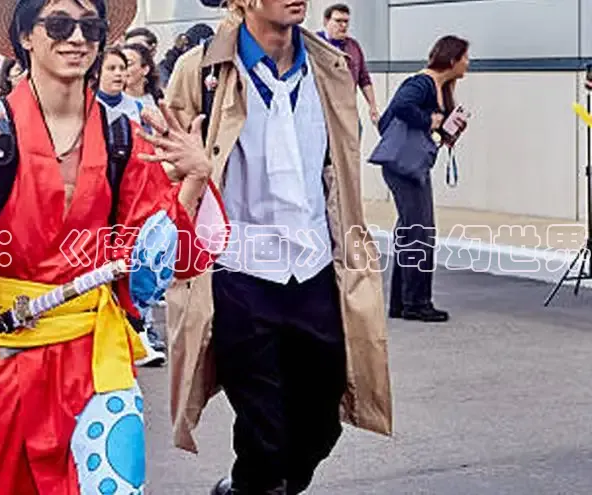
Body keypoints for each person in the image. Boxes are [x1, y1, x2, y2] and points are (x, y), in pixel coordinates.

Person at [0, 0, 227, 493]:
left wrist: (195, 178)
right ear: (26, 36)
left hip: (97, 363)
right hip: (7, 359)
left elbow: (159, 259)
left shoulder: (124, 137)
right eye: (60, 24)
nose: (78, 38)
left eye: (90, 26)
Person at [164, 1, 392, 494]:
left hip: (315, 268)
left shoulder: (330, 66)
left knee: (322, 420)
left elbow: (338, 166)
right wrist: (189, 171)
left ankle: (245, 488)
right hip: (239, 271)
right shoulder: (199, 70)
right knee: (263, 427)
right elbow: (165, 169)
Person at [379, 35, 470, 323]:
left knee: (411, 231)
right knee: (420, 231)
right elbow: (399, 109)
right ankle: (417, 303)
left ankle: (403, 302)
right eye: (465, 57)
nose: (468, 63)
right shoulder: (421, 83)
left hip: (411, 165)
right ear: (452, 60)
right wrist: (429, 121)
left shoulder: (441, 88)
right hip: (404, 166)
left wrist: (447, 131)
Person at [96, 46, 168, 367]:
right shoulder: (87, 109)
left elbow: (156, 152)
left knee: (136, 265)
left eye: (122, 67)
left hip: (136, 198)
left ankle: (141, 330)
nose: (118, 74)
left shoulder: (140, 110)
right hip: (101, 198)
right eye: (110, 68)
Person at [318, 3, 379, 126]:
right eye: (338, 21)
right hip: (322, 112)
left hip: (348, 110)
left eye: (346, 21)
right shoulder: (315, 44)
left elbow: (364, 78)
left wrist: (372, 106)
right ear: (326, 22)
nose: (343, 25)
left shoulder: (353, 46)